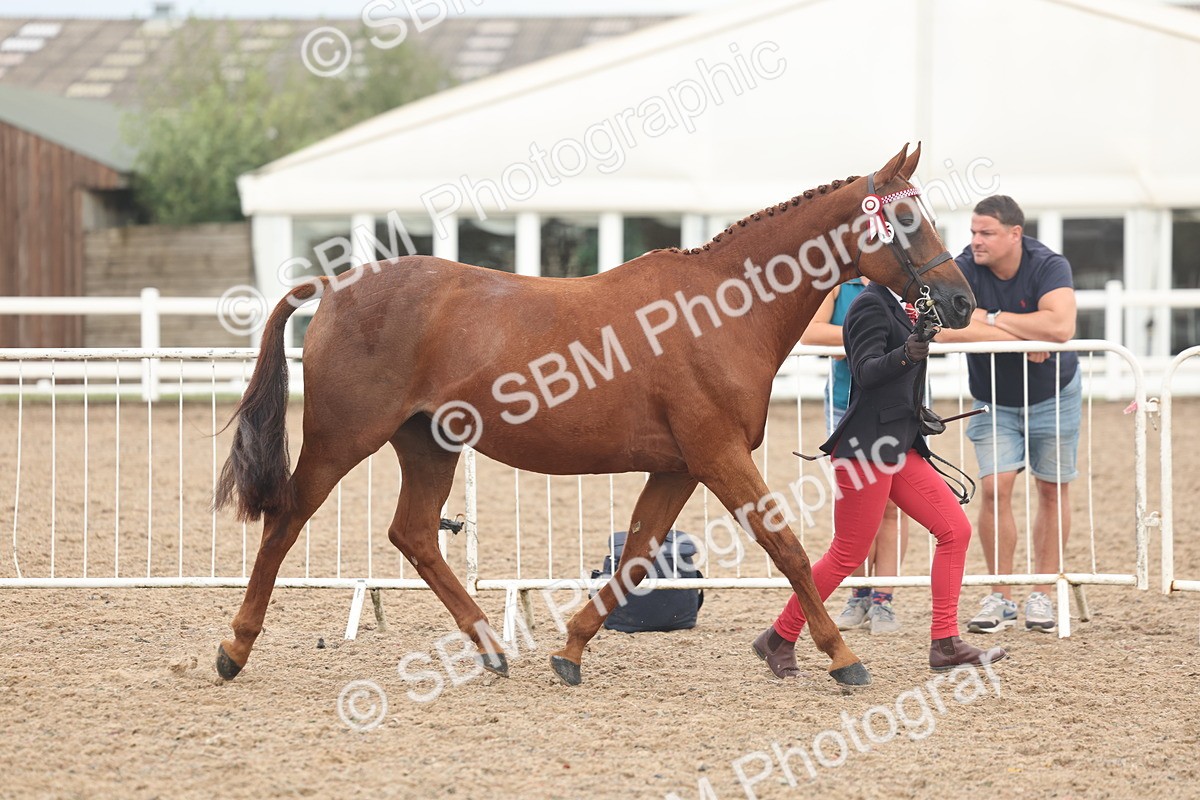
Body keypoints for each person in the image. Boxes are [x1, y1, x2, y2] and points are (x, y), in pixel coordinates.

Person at [752, 280, 1008, 678]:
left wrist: (916, 412)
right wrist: (907, 354)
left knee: (955, 531)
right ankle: (780, 636)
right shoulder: (868, 306)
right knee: (847, 555)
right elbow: (866, 373)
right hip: (866, 449)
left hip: (901, 445)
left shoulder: (906, 307)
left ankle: (945, 642)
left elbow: (893, 384)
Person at [937, 196, 1080, 635]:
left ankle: (1041, 591)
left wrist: (989, 318)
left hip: (1053, 394)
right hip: (992, 398)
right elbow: (944, 325)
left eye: (986, 233)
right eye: (973, 232)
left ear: (1015, 234)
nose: (975, 241)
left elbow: (1060, 328)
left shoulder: (1049, 264)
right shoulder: (963, 267)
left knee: (1051, 489)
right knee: (996, 488)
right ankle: (1001, 594)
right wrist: (1019, 328)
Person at [801, 277, 910, 635]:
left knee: (892, 507)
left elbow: (917, 334)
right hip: (846, 407)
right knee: (856, 504)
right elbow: (812, 333)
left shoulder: (905, 283)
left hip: (897, 405)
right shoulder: (838, 282)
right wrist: (871, 336)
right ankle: (859, 594)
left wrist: (854, 339)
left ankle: (884, 599)